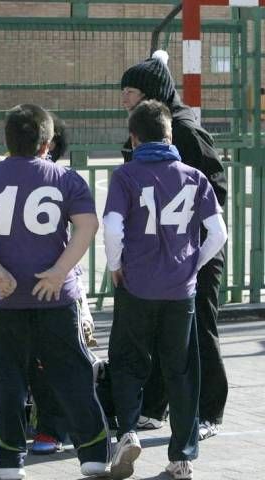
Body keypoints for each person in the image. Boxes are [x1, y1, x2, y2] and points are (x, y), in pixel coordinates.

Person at [0, 103, 110, 480]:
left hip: (3, 297)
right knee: (72, 371)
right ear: (47, 143)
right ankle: (94, 454)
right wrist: (58, 271)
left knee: (6, 378)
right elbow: (88, 225)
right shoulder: (65, 178)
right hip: (55, 294)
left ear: (7, 139)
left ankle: (7, 461)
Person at [104, 100, 227, 480]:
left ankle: (126, 431)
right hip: (180, 291)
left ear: (134, 136)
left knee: (128, 362)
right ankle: (182, 456)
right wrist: (193, 264)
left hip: (137, 285)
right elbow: (219, 234)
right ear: (170, 135)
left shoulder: (125, 176)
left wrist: (115, 266)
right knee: (182, 370)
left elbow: (111, 227)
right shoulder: (194, 177)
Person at [120, 50, 228, 440]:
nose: (124, 98)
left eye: (130, 91)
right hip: (163, 251)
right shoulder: (144, 128)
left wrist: (191, 242)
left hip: (195, 250)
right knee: (163, 331)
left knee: (199, 327)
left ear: (150, 93)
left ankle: (209, 411)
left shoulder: (184, 130)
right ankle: (154, 407)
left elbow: (215, 189)